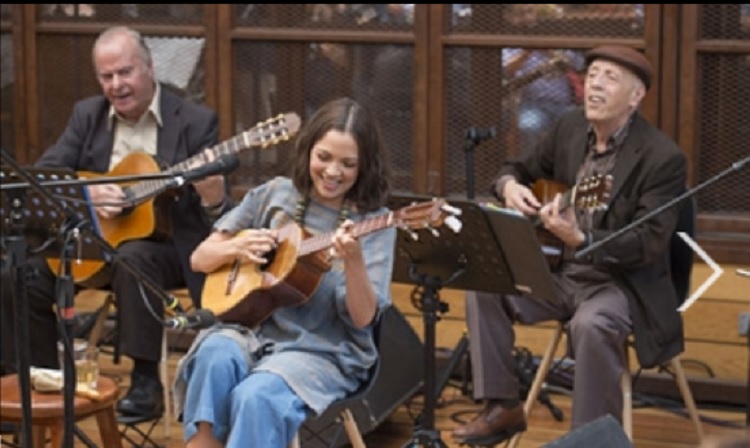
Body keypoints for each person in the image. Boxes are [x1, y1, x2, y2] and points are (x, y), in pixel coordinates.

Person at [451, 45, 689, 445]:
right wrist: (510, 187)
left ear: (635, 97)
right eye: (593, 73)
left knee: (592, 324)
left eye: (610, 78)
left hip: (621, 284)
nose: (596, 83)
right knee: (486, 283)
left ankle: (590, 438)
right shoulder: (570, 127)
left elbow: (649, 243)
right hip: (562, 272)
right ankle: (502, 404)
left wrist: (583, 239)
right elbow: (516, 168)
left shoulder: (662, 158)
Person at [0, 25, 231, 420]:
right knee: (20, 271)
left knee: (134, 254)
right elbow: (47, 173)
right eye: (107, 76)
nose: (116, 84)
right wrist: (87, 194)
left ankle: (144, 381)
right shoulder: (87, 115)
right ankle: (43, 379)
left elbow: (214, 216)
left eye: (125, 72)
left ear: (149, 67)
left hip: (167, 249)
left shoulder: (194, 120)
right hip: (93, 245)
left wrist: (214, 198)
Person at [172, 97, 396, 447]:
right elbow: (201, 259)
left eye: (348, 163)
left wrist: (353, 261)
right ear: (307, 150)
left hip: (322, 350)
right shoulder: (274, 194)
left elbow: (364, 318)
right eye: (324, 157)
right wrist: (236, 247)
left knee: (256, 395)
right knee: (215, 354)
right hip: (250, 330)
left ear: (364, 166)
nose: (333, 172)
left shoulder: (374, 225)